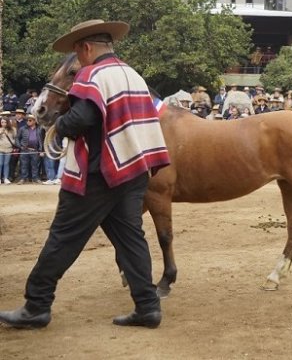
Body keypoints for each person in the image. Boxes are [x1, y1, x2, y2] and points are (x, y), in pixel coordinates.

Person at [0, 19, 170, 329]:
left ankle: (36, 305)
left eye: (78, 53)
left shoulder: (93, 75)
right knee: (131, 241)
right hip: (132, 171)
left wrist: (58, 127)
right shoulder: (131, 74)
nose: (79, 60)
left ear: (87, 48)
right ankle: (148, 307)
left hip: (97, 175)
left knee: (62, 238)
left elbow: (81, 119)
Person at [15, 114, 44, 184]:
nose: (28, 121)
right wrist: (20, 146)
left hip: (35, 150)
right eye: (27, 120)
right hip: (25, 150)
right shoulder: (22, 128)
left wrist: (41, 150)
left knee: (35, 166)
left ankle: (35, 178)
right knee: (24, 165)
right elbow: (17, 138)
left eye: (30, 120)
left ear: (34, 121)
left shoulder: (39, 129)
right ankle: (23, 178)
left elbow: (41, 140)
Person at [0, 115, 17, 184]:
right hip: (0, 149)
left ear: (7, 122)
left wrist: (12, 143)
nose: (3, 124)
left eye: (4, 122)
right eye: (2, 122)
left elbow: (15, 138)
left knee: (6, 164)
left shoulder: (13, 129)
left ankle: (6, 178)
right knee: (0, 164)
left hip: (9, 149)